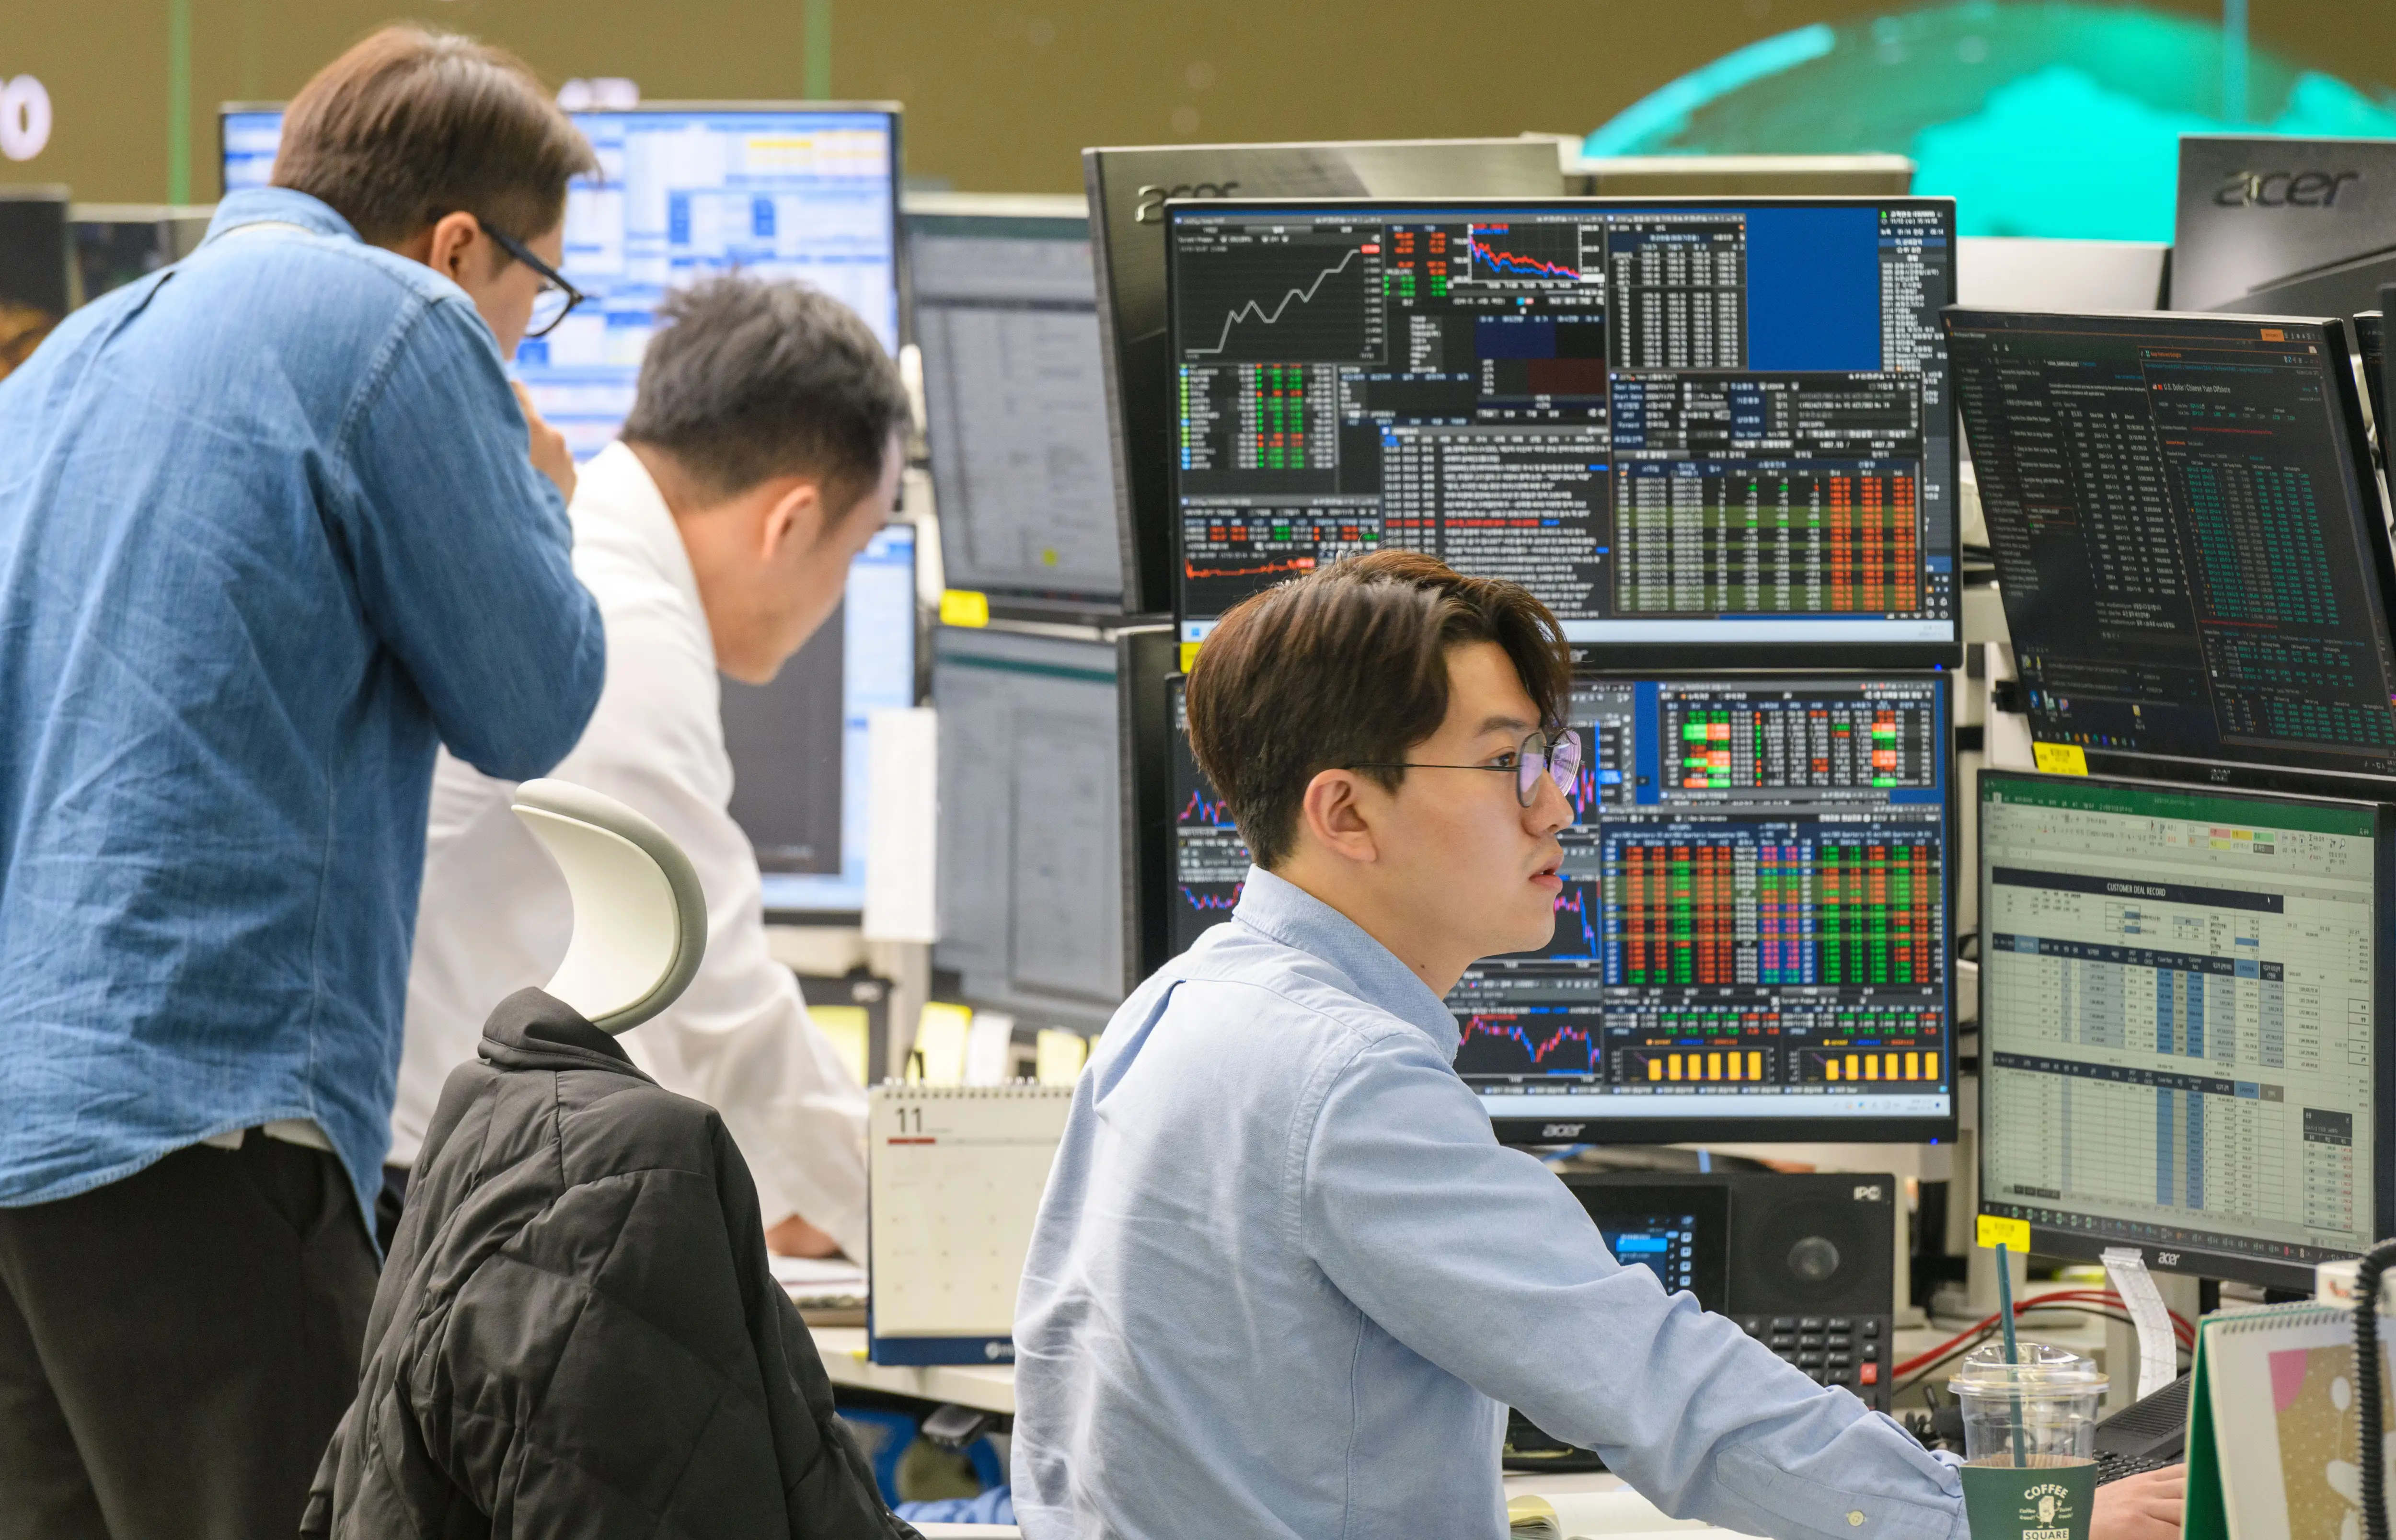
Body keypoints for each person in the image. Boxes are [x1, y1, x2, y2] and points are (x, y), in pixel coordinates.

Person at [1011, 552, 2187, 1540]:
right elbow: (1655, 1385)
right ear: (1345, 812)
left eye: (1551, 759)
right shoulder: (1347, 1083)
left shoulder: (1170, 1010)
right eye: (1503, 762)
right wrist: (2009, 1517)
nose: (1556, 806)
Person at [0, 27, 604, 1540]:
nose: (525, 336)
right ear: (460, 242)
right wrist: (536, 486)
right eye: (538, 295)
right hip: (205, 1123)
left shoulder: (74, 354)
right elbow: (532, 698)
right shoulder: (397, 318)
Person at [392, 273, 909, 1263]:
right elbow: (718, 1005)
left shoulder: (575, 555)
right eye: (856, 550)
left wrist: (799, 1178)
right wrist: (921, 1223)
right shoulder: (623, 624)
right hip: (427, 1199)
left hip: (433, 1167)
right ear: (791, 520)